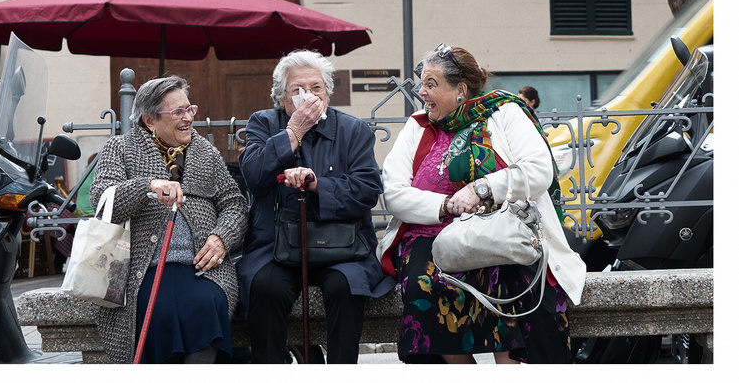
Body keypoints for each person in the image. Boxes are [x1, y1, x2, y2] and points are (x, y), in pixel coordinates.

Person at [379, 45, 582, 364]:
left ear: (459, 89)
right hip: (428, 236)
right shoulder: (417, 126)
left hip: (497, 230)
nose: (421, 92)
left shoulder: (503, 112)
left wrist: (482, 190)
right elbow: (394, 193)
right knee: (423, 285)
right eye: (422, 83)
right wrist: (447, 205)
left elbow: (539, 170)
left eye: (430, 84)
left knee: (509, 279)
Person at [236, 50, 391, 363]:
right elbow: (254, 177)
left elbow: (367, 190)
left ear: (328, 93)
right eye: (297, 90)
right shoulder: (263, 123)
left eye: (316, 88)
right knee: (267, 288)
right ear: (281, 98)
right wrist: (294, 131)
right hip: (275, 245)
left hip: (342, 244)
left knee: (345, 287)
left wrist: (317, 184)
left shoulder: (353, 130)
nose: (308, 96)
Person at [91, 76, 246, 364]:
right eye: (177, 112)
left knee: (207, 302)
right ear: (150, 120)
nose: (188, 118)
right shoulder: (121, 148)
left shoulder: (206, 153)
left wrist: (221, 237)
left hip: (201, 267)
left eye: (189, 109)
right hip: (142, 268)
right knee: (155, 309)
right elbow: (102, 200)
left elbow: (234, 204)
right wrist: (147, 186)